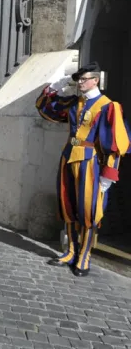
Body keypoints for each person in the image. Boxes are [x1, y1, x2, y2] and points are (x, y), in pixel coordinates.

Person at [35, 61, 130, 277]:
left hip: (90, 163)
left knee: (89, 210)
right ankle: (70, 252)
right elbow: (46, 108)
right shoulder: (74, 102)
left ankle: (84, 256)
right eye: (78, 79)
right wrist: (55, 87)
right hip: (68, 158)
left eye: (84, 79)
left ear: (95, 80)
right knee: (68, 206)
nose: (79, 83)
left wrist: (108, 176)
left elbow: (115, 146)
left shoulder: (108, 106)